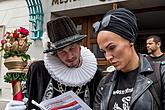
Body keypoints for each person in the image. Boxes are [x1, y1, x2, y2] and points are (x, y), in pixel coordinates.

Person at [5, 16, 103, 110]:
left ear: (79, 45)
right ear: (55, 54)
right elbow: (26, 101)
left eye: (72, 48)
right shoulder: (39, 71)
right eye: (62, 52)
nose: (69, 56)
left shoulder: (95, 75)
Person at [92, 8, 165, 110]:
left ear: (130, 40)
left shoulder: (160, 75)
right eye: (103, 51)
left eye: (112, 47)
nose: (108, 57)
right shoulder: (104, 83)